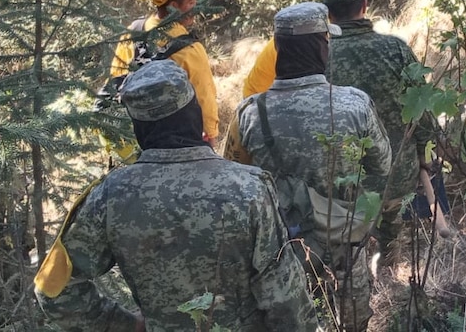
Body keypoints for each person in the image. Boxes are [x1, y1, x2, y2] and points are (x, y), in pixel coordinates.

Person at [34, 60, 318, 331]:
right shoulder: (249, 188)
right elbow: (285, 298)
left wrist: (123, 325)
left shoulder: (108, 196)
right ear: (194, 114)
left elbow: (53, 289)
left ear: (139, 129)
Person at [237, 2, 391, 332]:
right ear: (323, 46)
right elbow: (383, 164)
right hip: (344, 248)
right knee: (352, 324)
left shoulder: (250, 112)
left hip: (281, 254)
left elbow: (237, 179)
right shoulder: (354, 103)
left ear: (278, 49)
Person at [323, 0, 442, 260]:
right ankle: (389, 261)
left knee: (350, 247)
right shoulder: (395, 49)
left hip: (345, 181)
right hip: (397, 175)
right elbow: (422, 108)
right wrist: (426, 152)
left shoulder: (321, 56)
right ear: (364, 6)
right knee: (392, 229)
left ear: (328, 13)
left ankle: (359, 274)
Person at [108, 0, 219, 158]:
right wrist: (211, 137)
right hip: (177, 145)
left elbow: (116, 81)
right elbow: (205, 99)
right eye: (191, 2)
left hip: (132, 142)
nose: (196, 8)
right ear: (174, 6)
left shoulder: (133, 32)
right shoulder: (190, 50)